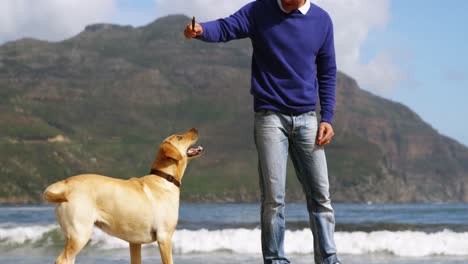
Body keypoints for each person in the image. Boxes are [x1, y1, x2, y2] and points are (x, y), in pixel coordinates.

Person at [184, 0, 340, 263]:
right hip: (270, 118)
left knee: (321, 196)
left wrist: (328, 117)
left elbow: (327, 71)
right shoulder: (259, 10)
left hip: (307, 119)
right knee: (273, 198)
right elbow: (226, 27)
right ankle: (275, 260)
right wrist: (200, 30)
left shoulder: (322, 20)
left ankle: (328, 260)